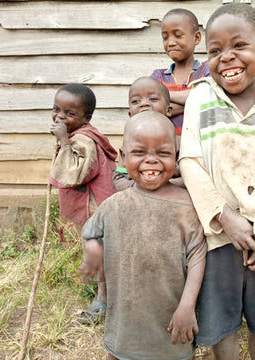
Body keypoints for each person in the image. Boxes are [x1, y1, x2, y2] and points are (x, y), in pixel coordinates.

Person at [178, 4, 255, 360]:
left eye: (238, 46)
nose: (226, 57)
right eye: (215, 50)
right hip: (217, 236)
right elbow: (190, 161)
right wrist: (224, 217)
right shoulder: (201, 96)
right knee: (221, 320)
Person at [78, 111, 207, 360]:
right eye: (139, 152)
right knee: (119, 352)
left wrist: (187, 306)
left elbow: (197, 257)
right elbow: (90, 232)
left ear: (177, 157)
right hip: (125, 316)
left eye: (163, 153)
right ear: (123, 156)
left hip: (172, 312)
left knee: (176, 352)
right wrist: (93, 249)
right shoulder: (114, 204)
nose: (151, 161)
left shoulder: (188, 206)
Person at [49, 83, 117, 325]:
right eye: (56, 109)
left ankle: (103, 301)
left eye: (70, 113)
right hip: (93, 205)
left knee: (100, 252)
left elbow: (76, 174)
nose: (60, 116)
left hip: (95, 207)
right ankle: (103, 291)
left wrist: (64, 142)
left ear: (86, 118)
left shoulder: (84, 141)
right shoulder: (80, 135)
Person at [151, 8, 210, 140]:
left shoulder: (207, 70)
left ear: (196, 38)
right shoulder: (158, 76)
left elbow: (209, 98)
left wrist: (164, 95)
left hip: (200, 149)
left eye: (178, 35)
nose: (171, 43)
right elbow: (151, 109)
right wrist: (195, 103)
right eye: (165, 37)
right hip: (166, 148)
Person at [112, 76, 173, 191]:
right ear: (130, 114)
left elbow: (187, 179)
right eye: (136, 101)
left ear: (168, 110)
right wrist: (142, 188)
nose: (144, 104)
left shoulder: (179, 140)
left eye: (153, 99)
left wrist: (163, 185)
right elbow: (119, 179)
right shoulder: (129, 143)